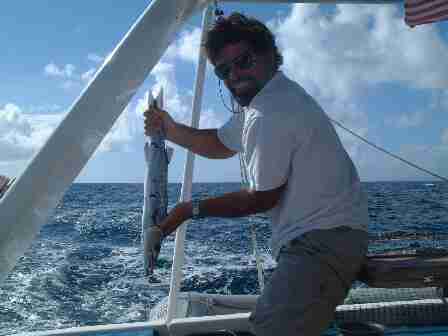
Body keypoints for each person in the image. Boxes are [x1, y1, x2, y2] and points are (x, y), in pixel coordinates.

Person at [144, 12, 369, 336]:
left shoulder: (270, 112)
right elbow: (220, 143)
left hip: (324, 242)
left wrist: (187, 210)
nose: (234, 74)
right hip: (324, 237)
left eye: (244, 61)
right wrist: (170, 128)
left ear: (268, 54)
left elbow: (262, 198)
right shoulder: (263, 101)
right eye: (224, 70)